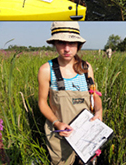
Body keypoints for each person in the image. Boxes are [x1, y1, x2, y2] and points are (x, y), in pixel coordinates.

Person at [38, 22, 103, 165]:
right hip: (60, 133)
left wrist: (99, 111)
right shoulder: (46, 70)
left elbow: (94, 94)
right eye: (61, 43)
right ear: (54, 43)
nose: (67, 49)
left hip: (86, 132)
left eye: (72, 43)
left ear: (78, 45)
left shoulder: (86, 67)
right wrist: (57, 123)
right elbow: (42, 103)